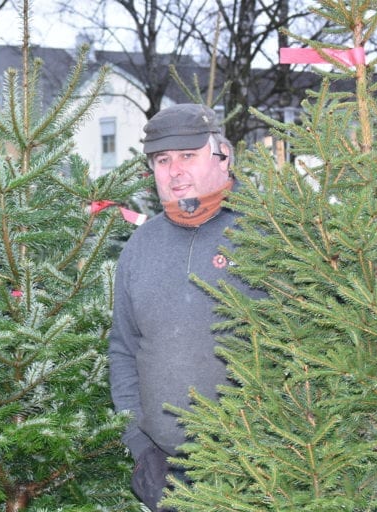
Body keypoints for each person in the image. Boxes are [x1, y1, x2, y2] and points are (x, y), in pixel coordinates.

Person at [108, 103, 257, 511]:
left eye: (188, 156)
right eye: (162, 160)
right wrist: (139, 446)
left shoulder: (265, 233)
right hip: (167, 474)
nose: (175, 171)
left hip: (260, 470)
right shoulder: (141, 246)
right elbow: (123, 349)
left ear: (222, 156)